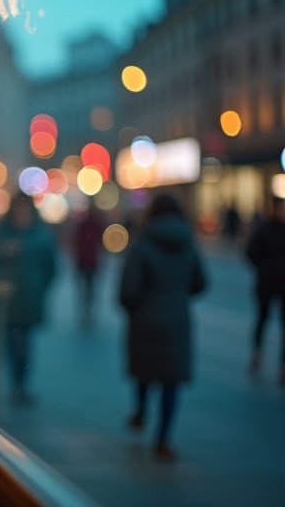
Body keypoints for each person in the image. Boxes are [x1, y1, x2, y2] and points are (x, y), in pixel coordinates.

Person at [118, 192, 207, 462]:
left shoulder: (141, 246)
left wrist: (137, 307)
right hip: (177, 321)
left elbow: (127, 291)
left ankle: (141, 410)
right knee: (171, 382)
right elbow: (201, 282)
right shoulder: (189, 244)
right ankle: (164, 438)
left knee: (145, 370)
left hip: (145, 321)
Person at [0, 192, 57, 404]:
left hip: (28, 301)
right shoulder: (1, 234)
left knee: (24, 343)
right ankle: (16, 384)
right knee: (11, 342)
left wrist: (38, 288)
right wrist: (2, 252)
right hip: (6, 301)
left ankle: (20, 384)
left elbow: (51, 268)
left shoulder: (40, 236)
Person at [244, 197, 285, 383]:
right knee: (262, 318)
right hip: (266, 284)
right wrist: (265, 268)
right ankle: (257, 353)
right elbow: (250, 253)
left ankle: (283, 364)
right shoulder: (264, 230)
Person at [73, 199, 106, 329]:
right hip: (91, 262)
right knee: (90, 290)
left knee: (84, 290)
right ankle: (88, 312)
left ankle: (85, 312)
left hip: (84, 262)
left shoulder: (83, 226)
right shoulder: (96, 225)